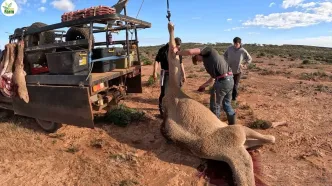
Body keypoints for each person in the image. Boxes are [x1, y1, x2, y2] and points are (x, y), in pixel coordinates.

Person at [176, 46, 236, 125]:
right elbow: (213, 78)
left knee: (215, 106)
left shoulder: (209, 50)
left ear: (198, 54)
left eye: (198, 59)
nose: (200, 61)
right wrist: (203, 86)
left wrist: (177, 52)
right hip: (229, 80)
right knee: (227, 104)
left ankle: (215, 127)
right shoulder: (210, 61)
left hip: (222, 82)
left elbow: (190, 52)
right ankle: (233, 126)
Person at [153, 37, 186, 117]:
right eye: (177, 45)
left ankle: (176, 111)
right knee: (164, 93)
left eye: (179, 45)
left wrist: (183, 74)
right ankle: (162, 111)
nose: (178, 47)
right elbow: (157, 60)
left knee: (177, 92)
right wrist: (154, 72)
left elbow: (180, 63)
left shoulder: (178, 51)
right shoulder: (162, 50)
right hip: (165, 73)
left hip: (176, 74)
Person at [223, 37, 252, 102]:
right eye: (234, 44)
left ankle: (233, 99)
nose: (235, 45)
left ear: (240, 43)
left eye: (237, 44)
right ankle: (227, 97)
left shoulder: (242, 50)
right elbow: (224, 55)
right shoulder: (229, 48)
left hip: (238, 71)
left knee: (235, 85)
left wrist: (245, 64)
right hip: (229, 70)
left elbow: (249, 58)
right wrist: (226, 62)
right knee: (228, 84)